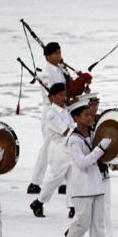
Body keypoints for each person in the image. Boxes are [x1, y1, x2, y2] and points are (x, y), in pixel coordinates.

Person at [53, 101, 115, 237]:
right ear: (76, 118)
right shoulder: (73, 139)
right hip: (82, 186)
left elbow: (100, 157)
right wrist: (101, 149)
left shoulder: (94, 133)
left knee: (98, 225)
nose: (91, 117)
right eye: (86, 115)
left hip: (97, 183)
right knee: (82, 223)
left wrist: (111, 160)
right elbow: (82, 162)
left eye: (91, 114)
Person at [28, 42, 70, 195]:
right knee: (47, 146)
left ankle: (64, 183)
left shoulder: (60, 70)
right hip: (51, 110)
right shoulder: (46, 73)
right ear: (48, 56)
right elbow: (52, 95)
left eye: (60, 52)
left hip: (62, 110)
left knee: (64, 144)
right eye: (56, 53)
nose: (59, 56)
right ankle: (35, 182)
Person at [30, 83, 73, 218]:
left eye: (65, 94)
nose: (63, 97)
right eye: (60, 95)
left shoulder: (66, 110)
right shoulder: (51, 114)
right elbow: (66, 130)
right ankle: (39, 201)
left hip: (68, 147)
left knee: (73, 178)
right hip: (58, 148)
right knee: (55, 178)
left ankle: (72, 206)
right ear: (52, 97)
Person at [85, 94, 118, 237]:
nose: (94, 108)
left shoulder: (102, 123)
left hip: (103, 171)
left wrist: (113, 164)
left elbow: (110, 148)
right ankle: (73, 232)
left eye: (96, 104)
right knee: (86, 210)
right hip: (88, 172)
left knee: (106, 206)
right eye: (91, 105)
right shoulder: (82, 129)